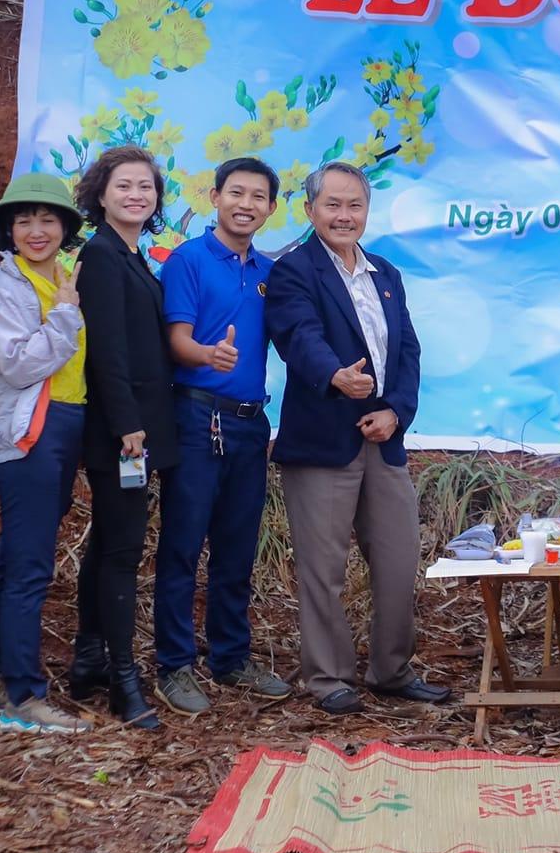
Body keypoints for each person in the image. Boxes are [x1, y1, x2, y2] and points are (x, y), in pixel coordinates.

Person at [266, 162, 449, 715]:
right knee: (323, 570)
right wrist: (335, 377)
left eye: (355, 206)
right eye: (333, 205)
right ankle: (328, 679)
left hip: (384, 441)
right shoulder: (293, 271)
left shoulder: (386, 274)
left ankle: (392, 670)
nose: (344, 216)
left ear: (367, 212)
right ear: (310, 211)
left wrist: (396, 410)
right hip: (323, 441)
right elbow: (299, 334)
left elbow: (409, 352)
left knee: (397, 561)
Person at [0, 173, 93, 734]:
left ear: (65, 227)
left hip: (65, 425)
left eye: (48, 219)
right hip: (27, 434)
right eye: (24, 221)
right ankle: (23, 697)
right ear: (9, 229)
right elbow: (17, 363)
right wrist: (63, 313)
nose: (36, 231)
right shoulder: (4, 285)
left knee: (16, 557)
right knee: (30, 566)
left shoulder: (63, 274)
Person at [151, 157, 293, 714]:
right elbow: (176, 339)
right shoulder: (188, 259)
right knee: (183, 546)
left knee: (236, 550)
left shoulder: (268, 271)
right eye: (236, 193)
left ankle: (231, 659)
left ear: (271, 208)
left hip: (249, 425)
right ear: (214, 196)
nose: (246, 204)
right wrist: (207, 354)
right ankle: (174, 665)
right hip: (194, 418)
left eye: (259, 197)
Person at [69, 146, 177, 730]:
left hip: (137, 426)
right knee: (122, 551)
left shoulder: (133, 256)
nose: (136, 195)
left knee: (108, 543)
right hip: (121, 432)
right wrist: (127, 424)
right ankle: (123, 682)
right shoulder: (103, 255)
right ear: (101, 193)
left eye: (145, 187)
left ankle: (87, 661)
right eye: (124, 186)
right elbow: (105, 350)